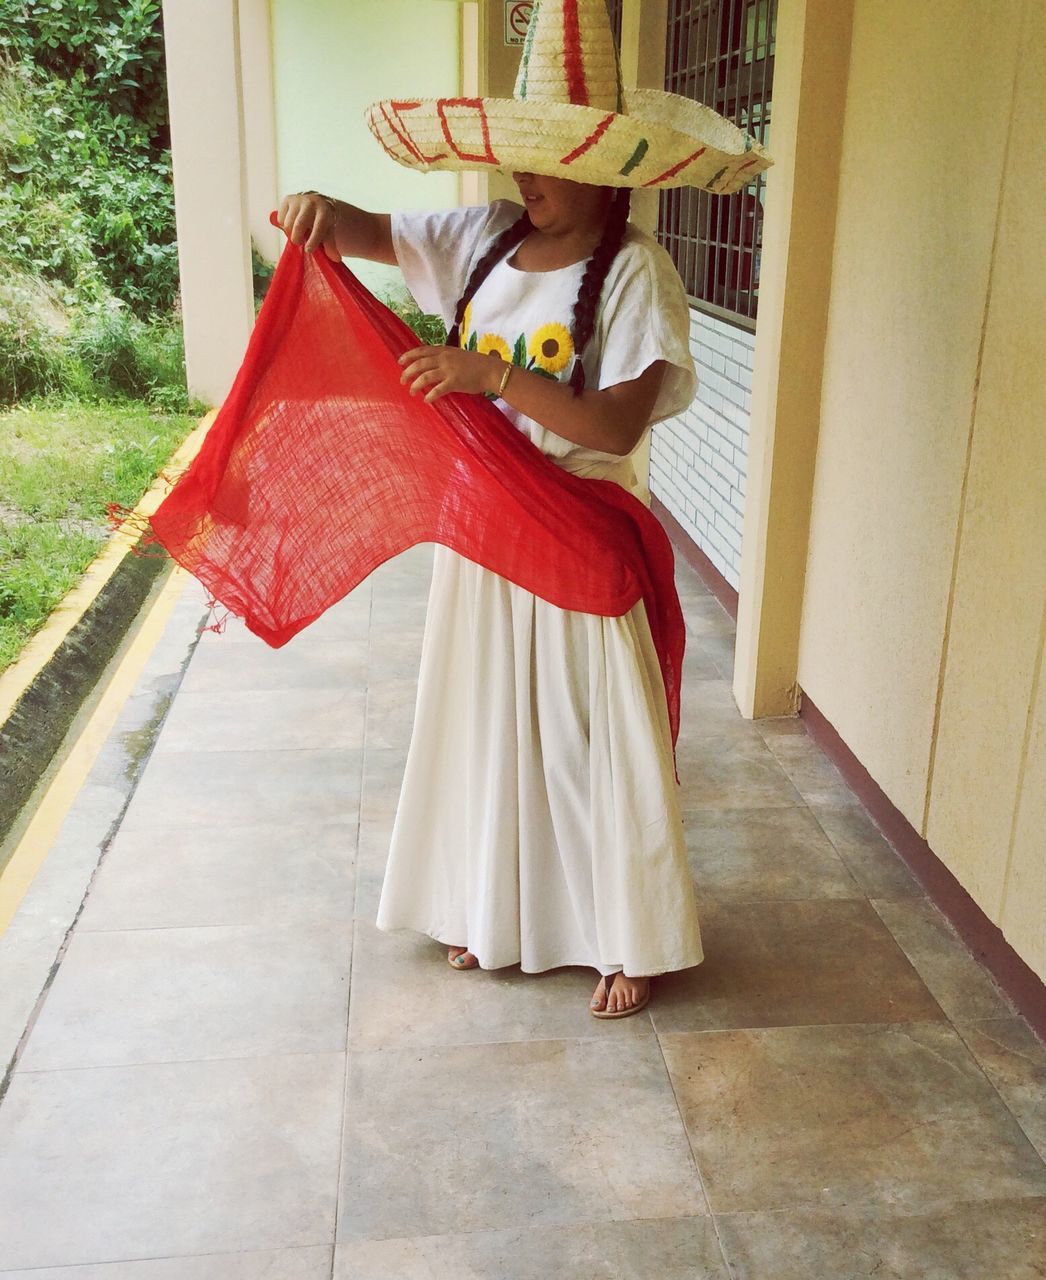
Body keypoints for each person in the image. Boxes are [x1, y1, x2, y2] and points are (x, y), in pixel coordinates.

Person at [275, 0, 772, 1019]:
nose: (523, 182)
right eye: (519, 161)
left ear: (606, 171)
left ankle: (622, 931)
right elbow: (370, 233)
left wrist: (487, 375)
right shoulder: (483, 240)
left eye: (545, 165)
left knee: (589, 738)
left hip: (577, 528)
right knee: (484, 722)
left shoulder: (636, 276)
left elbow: (611, 427)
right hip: (486, 528)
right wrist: (322, 209)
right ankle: (486, 907)